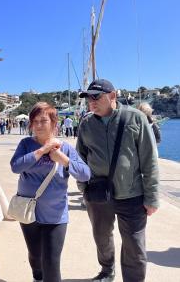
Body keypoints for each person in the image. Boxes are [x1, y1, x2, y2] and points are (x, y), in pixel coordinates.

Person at [76, 79, 159, 282]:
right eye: (88, 97)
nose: (91, 101)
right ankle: (107, 271)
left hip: (132, 194)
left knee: (134, 246)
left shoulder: (136, 118)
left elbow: (150, 160)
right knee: (102, 238)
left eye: (96, 96)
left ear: (112, 96)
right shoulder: (86, 124)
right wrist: (84, 188)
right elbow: (80, 159)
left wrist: (152, 197)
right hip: (97, 194)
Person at [10, 102, 90, 282]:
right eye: (35, 121)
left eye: (43, 121)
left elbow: (85, 174)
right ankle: (37, 277)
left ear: (54, 123)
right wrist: (42, 150)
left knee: (51, 262)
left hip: (55, 214)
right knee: (35, 256)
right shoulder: (25, 144)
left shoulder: (66, 148)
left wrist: (63, 159)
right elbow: (15, 166)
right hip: (28, 213)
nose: (38, 125)